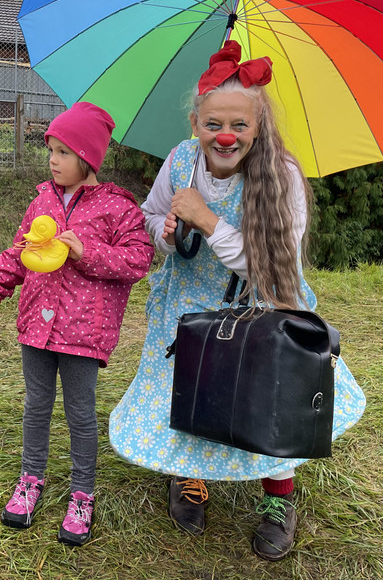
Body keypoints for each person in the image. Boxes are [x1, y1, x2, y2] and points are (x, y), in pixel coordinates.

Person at [108, 41, 366, 561]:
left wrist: (207, 220)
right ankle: (191, 476)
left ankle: (278, 497)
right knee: (191, 393)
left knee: (270, 401)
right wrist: (167, 231)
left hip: (263, 307)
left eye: (239, 125)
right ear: (195, 122)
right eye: (213, 124)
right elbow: (150, 213)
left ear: (258, 125)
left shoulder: (282, 175)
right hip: (189, 304)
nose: (225, 136)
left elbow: (271, 266)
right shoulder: (181, 160)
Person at [0, 102, 155, 547]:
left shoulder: (118, 208)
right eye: (50, 150)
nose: (52, 159)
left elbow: (138, 260)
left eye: (63, 151)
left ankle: (82, 494)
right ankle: (30, 479)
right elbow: (19, 253)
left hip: (84, 331)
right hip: (37, 324)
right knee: (36, 405)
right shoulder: (43, 201)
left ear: (88, 157)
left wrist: (87, 251)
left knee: (80, 413)